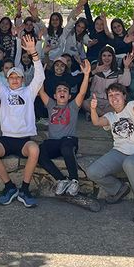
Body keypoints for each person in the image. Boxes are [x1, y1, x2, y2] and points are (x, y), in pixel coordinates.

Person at [0, 30, 45, 208]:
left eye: (18, 77)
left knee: (34, 150)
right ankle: (9, 187)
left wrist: (33, 52)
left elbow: (40, 77)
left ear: (23, 79)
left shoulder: (29, 92)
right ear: (7, 80)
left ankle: (24, 189)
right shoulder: (4, 91)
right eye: (11, 77)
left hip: (24, 140)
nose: (14, 79)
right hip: (6, 139)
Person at [88, 83, 134, 223]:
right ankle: (118, 189)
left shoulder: (131, 106)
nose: (114, 98)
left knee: (130, 163)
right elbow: (96, 122)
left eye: (117, 94)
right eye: (110, 96)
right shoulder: (110, 116)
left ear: (124, 96)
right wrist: (93, 109)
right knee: (93, 171)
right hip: (120, 152)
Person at [36, 59, 92, 196]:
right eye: (59, 90)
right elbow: (41, 91)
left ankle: (74, 180)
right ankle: (61, 179)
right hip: (53, 142)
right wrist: (40, 74)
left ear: (69, 95)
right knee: (39, 152)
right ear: (55, 95)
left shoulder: (73, 106)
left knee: (66, 147)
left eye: (65, 90)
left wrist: (86, 75)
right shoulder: (50, 105)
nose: (62, 92)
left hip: (69, 140)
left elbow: (82, 93)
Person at [85, 47, 133, 116]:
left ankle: (95, 114)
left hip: (110, 101)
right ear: (101, 57)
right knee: (85, 103)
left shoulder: (117, 71)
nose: (106, 58)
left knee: (119, 105)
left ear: (113, 57)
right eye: (104, 55)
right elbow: (85, 80)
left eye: (109, 56)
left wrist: (126, 67)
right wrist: (95, 71)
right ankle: (104, 115)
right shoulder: (94, 68)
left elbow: (126, 83)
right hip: (95, 99)